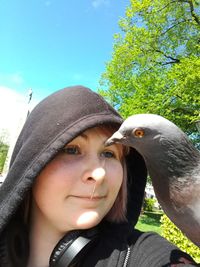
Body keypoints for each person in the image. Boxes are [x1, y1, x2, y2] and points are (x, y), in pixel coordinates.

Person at [0, 85, 198, 267]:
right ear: (31, 163)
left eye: (108, 153)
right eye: (71, 150)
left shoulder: (146, 255)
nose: (99, 173)